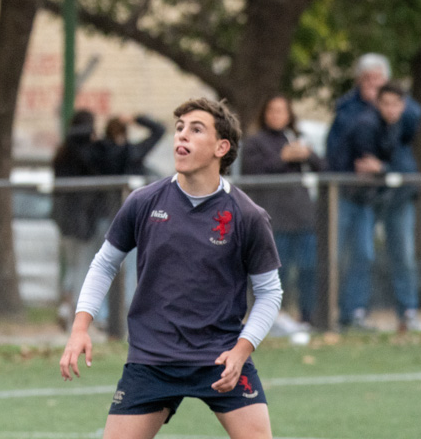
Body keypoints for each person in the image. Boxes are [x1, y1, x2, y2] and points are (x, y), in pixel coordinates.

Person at [59, 98, 282, 439]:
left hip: (220, 357)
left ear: (221, 147)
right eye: (179, 129)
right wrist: (80, 328)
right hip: (152, 359)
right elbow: (104, 264)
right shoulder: (143, 202)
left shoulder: (247, 215)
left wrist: (241, 351)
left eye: (196, 129)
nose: (182, 137)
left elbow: (269, 292)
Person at [238, 96, 323, 327]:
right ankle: (273, 319)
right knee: (277, 273)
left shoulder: (295, 138)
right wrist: (282, 158)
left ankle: (309, 317)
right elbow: (250, 174)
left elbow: (323, 166)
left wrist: (307, 154)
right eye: (272, 110)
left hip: (302, 216)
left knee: (308, 268)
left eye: (282, 111)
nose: (277, 115)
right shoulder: (256, 142)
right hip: (274, 219)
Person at [341, 84, 420, 331]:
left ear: (403, 106)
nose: (390, 109)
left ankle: (407, 312)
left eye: (395, 104)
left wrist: (385, 169)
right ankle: (354, 312)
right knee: (362, 255)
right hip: (365, 201)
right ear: (378, 104)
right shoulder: (367, 125)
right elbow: (366, 166)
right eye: (385, 103)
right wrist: (386, 170)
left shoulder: (402, 126)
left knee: (404, 256)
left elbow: (404, 166)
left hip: (397, 199)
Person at [52, 111, 109, 325]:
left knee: (74, 265)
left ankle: (66, 307)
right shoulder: (85, 152)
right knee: (83, 265)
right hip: (83, 219)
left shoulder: (63, 151)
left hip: (65, 219)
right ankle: (75, 312)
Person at [94, 114, 168, 177]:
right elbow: (159, 129)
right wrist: (135, 119)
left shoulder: (97, 150)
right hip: (132, 192)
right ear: (125, 132)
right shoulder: (133, 151)